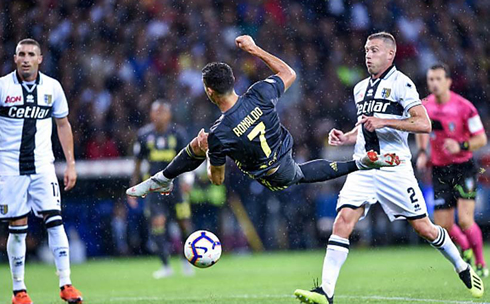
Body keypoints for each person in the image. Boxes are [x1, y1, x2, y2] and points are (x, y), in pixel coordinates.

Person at [293, 32, 484, 304]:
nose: (368, 55)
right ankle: (326, 291)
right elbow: (366, 126)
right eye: (366, 50)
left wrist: (387, 122)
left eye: (374, 50)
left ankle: (461, 267)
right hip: (364, 167)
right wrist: (348, 137)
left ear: (390, 55)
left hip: (394, 170)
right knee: (342, 222)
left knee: (425, 228)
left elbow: (423, 124)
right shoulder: (360, 88)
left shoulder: (402, 85)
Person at [127, 35, 400, 201]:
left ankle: (163, 176)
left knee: (201, 145)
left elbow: (218, 180)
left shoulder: (220, 134)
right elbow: (289, 73)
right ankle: (360, 162)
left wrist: (208, 152)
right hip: (283, 154)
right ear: (233, 81)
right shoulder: (258, 93)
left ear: (209, 91)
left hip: (269, 174)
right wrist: (254, 49)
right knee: (300, 173)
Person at [0, 39, 82, 303]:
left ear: (40, 59)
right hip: (9, 167)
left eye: (30, 54)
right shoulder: (2, 87)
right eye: (21, 54)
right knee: (17, 226)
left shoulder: (52, 87)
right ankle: (19, 291)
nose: (25, 58)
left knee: (55, 219)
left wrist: (70, 163)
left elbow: (63, 124)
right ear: (15, 59)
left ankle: (66, 284)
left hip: (43, 165)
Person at [416, 63, 488, 277]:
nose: (434, 84)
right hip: (440, 170)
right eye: (431, 79)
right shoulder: (424, 106)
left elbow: (481, 139)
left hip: (463, 168)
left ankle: (481, 264)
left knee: (465, 220)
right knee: (442, 226)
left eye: (439, 79)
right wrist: (422, 151)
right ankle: (464, 246)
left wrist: (461, 146)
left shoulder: (464, 107)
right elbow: (421, 128)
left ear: (448, 81)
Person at [128, 100, 195, 278]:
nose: (159, 115)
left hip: (177, 187)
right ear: (151, 115)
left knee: (184, 224)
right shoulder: (143, 135)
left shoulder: (178, 134)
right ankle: (166, 265)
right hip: (154, 189)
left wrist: (188, 179)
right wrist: (133, 188)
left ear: (169, 115)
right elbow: (137, 164)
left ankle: (186, 261)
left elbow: (190, 159)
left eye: (163, 112)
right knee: (158, 224)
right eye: (156, 112)